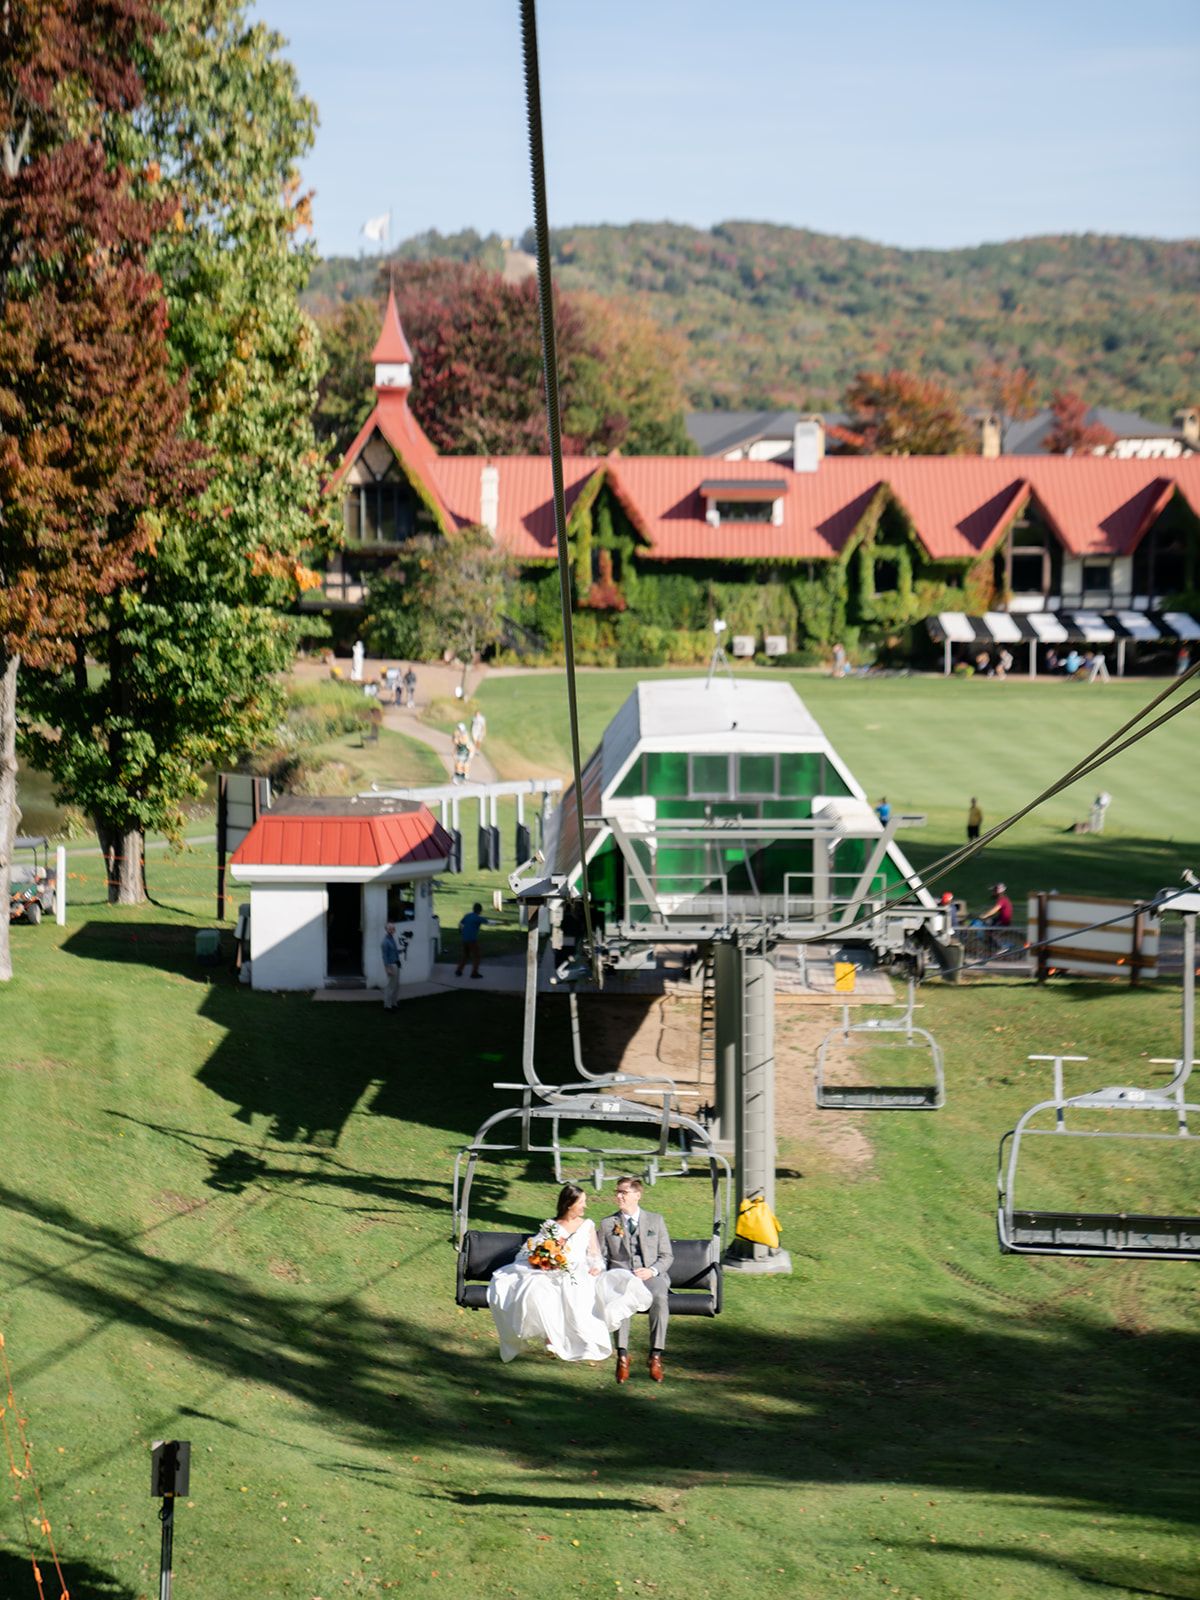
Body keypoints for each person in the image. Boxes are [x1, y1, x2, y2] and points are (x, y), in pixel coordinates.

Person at [487, 1184, 651, 1364]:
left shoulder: (587, 1225)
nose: (585, 1206)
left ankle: (575, 1340)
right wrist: (545, 1260)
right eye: (581, 1202)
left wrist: (596, 1267)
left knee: (575, 1287)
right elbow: (533, 1249)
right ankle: (550, 1337)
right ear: (569, 1204)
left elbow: (595, 1255)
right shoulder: (551, 1225)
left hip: (579, 1269)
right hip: (554, 1268)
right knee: (538, 1288)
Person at [598, 1176, 673, 1384]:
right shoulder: (607, 1224)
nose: (619, 1196)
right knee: (620, 1299)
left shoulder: (655, 1221)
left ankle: (656, 1355)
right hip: (621, 1277)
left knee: (659, 1296)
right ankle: (622, 1356)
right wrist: (602, 1273)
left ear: (637, 1195)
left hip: (649, 1275)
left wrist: (652, 1271)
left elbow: (667, 1256)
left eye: (624, 1192)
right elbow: (601, 1257)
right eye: (617, 1192)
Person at [456, 901, 489, 978]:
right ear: (479, 910)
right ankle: (474, 973)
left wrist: (461, 931)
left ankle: (459, 970)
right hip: (472, 940)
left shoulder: (467, 915)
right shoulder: (478, 918)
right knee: (477, 956)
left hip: (464, 939)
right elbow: (488, 922)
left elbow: (460, 924)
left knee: (466, 955)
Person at [381, 922, 402, 1011]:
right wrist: (387, 968)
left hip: (396, 964)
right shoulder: (385, 942)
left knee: (396, 986)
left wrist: (400, 951)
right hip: (391, 966)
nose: (392, 930)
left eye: (393, 929)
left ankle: (394, 1003)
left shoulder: (392, 939)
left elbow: (394, 952)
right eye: (390, 929)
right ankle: (387, 1006)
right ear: (386, 929)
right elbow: (385, 956)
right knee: (390, 986)